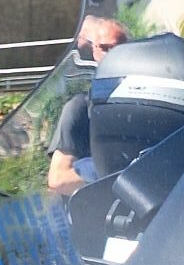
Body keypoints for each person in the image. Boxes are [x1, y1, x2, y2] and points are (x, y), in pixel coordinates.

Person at [46, 16, 130, 194]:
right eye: (106, 48)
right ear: (94, 50)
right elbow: (58, 179)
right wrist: (118, 177)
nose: (112, 56)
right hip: (95, 215)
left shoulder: (141, 104)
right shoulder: (79, 109)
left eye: (120, 49)